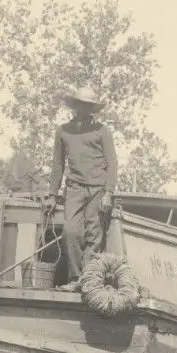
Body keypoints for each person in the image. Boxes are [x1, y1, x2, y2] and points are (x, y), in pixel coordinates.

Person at [47, 85, 118, 286]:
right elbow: (58, 164)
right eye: (80, 104)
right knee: (70, 231)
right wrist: (52, 194)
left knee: (94, 234)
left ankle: (88, 281)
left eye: (88, 106)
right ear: (75, 105)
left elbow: (112, 162)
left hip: (98, 188)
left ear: (93, 109)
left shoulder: (102, 131)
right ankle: (75, 277)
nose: (83, 109)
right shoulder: (63, 131)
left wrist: (108, 192)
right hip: (74, 188)